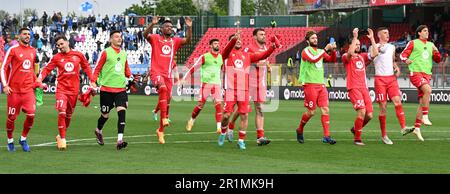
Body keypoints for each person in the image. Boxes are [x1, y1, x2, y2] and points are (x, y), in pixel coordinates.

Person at [218, 32, 280, 149]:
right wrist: (233, 40)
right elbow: (226, 49)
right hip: (231, 90)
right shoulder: (227, 54)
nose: (238, 41)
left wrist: (273, 46)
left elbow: (263, 55)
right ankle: (223, 131)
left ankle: (241, 140)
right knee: (226, 116)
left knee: (244, 115)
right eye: (236, 40)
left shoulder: (247, 55)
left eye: (240, 39)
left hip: (244, 90)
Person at [37, 35, 95, 150]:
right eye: (58, 45)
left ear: (67, 42)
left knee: (68, 116)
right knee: (62, 112)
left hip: (74, 90)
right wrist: (39, 79)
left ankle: (59, 135)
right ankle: (63, 139)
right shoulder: (56, 57)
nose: (60, 47)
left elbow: (87, 67)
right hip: (61, 89)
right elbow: (47, 69)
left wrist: (92, 81)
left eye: (61, 44)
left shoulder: (78, 55)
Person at [143, 16, 192, 144]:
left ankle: (160, 130)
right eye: (167, 26)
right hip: (156, 72)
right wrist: (151, 24)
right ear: (161, 28)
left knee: (167, 99)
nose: (169, 28)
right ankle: (164, 117)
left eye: (171, 27)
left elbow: (187, 40)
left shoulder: (174, 41)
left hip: (168, 75)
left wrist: (189, 27)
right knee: (163, 89)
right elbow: (145, 34)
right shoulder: (155, 38)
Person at [1, 28, 41, 152]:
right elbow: (3, 68)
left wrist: (36, 81)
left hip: (28, 90)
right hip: (14, 91)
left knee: (31, 115)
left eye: (29, 34)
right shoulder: (12, 50)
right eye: (24, 34)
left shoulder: (33, 51)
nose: (27, 36)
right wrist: (5, 85)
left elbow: (32, 70)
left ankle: (23, 139)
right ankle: (10, 140)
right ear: (19, 36)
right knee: (11, 118)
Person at [372, 27, 414, 145]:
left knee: (397, 102)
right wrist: (376, 46)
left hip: (391, 79)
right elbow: (373, 55)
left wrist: (396, 67)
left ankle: (403, 127)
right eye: (385, 33)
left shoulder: (392, 47)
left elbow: (391, 60)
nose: (387, 35)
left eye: (388, 33)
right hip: (380, 79)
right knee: (383, 107)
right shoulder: (373, 46)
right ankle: (384, 135)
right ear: (379, 35)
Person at [91, 30, 132, 150]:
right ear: (110, 40)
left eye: (120, 37)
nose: (119, 38)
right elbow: (97, 68)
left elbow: (126, 69)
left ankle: (120, 140)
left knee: (122, 112)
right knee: (105, 115)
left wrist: (131, 77)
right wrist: (93, 81)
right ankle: (98, 130)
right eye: (116, 37)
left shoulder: (124, 53)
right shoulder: (105, 52)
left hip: (121, 89)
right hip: (106, 89)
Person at [400, 25, 441, 141]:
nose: (427, 32)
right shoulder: (413, 43)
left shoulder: (431, 45)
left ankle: (417, 128)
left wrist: (436, 52)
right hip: (416, 73)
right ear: (419, 33)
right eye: (424, 31)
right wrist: (406, 60)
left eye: (428, 30)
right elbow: (402, 55)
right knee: (428, 90)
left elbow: (437, 59)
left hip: (427, 74)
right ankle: (425, 116)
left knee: (422, 101)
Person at [296, 30, 337, 144]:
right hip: (309, 84)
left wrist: (333, 50)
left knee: (325, 109)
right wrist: (326, 49)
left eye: (316, 38)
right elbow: (314, 59)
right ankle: (300, 129)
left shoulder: (320, 51)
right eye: (313, 38)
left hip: (321, 84)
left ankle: (326, 136)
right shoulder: (306, 51)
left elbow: (332, 60)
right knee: (311, 112)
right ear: (307, 41)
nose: (315, 40)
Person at [184, 39, 229, 134]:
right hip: (205, 84)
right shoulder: (205, 57)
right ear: (210, 46)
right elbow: (194, 67)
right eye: (215, 44)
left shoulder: (221, 57)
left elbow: (221, 70)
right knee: (200, 105)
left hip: (216, 84)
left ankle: (218, 127)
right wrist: (185, 77)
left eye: (218, 43)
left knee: (218, 105)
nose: (217, 45)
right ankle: (191, 120)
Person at [343, 28, 378, 146]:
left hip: (364, 88)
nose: (358, 46)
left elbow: (375, 53)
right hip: (354, 87)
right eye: (356, 44)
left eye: (359, 44)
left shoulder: (362, 56)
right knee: (362, 112)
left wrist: (372, 38)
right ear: (351, 44)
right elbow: (350, 53)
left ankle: (355, 129)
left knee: (369, 115)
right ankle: (357, 139)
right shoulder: (345, 57)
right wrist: (355, 37)